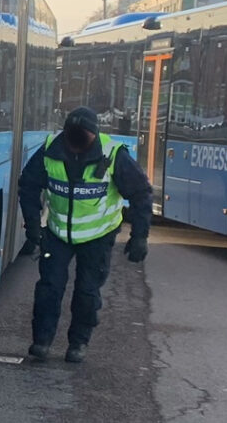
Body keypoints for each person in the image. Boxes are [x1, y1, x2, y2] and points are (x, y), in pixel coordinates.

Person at [19, 105, 154, 365]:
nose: (77, 146)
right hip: (58, 233)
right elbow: (28, 184)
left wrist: (140, 235)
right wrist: (33, 226)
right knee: (49, 288)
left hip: (98, 236)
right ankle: (42, 341)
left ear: (93, 136)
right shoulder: (51, 150)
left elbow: (141, 193)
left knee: (87, 292)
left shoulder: (113, 154)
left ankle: (78, 343)